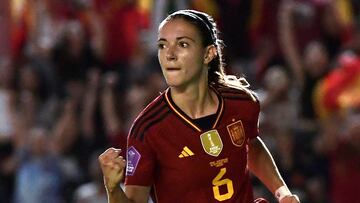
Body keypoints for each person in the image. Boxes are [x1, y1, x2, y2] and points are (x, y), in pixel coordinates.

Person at [98, 9, 300, 203]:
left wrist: (282, 192)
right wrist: (113, 188)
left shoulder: (241, 102)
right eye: (162, 45)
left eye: (182, 44)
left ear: (208, 54)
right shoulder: (148, 130)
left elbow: (250, 144)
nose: (169, 54)